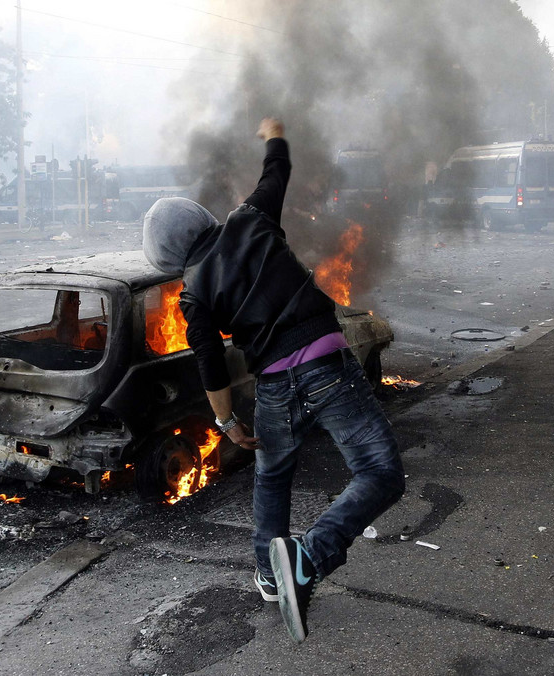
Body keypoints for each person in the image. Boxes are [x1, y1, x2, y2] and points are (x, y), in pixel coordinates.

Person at [141, 118, 404, 643]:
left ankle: (269, 572)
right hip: (326, 367)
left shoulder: (192, 294)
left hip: (275, 389)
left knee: (272, 475)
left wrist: (226, 421)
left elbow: (210, 362)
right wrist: (273, 134)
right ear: (202, 219)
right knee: (381, 472)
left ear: (168, 259)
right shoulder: (249, 219)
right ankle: (309, 555)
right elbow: (277, 169)